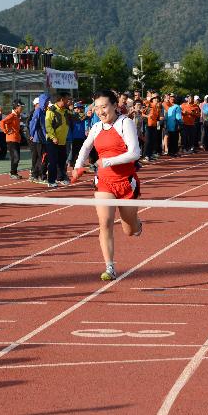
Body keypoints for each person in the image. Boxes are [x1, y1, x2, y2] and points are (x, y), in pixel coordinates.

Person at [72, 90, 143, 281]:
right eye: (97, 108)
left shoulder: (124, 123)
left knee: (129, 230)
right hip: (104, 181)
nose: (101, 111)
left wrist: (109, 161)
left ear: (114, 106)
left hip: (126, 182)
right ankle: (110, 267)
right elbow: (86, 147)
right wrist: (78, 167)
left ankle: (136, 224)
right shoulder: (96, 127)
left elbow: (135, 153)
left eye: (104, 107)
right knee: (105, 223)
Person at [45, 92, 71, 187]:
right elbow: (48, 126)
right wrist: (53, 137)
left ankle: (61, 178)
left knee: (62, 161)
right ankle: (51, 181)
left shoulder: (66, 111)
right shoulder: (51, 111)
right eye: (67, 99)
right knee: (53, 161)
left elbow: (76, 118)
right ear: (61, 99)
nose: (69, 101)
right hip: (53, 141)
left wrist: (87, 115)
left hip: (62, 141)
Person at [1, 100, 24, 179]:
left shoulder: (17, 116)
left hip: (16, 139)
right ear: (16, 107)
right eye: (21, 106)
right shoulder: (12, 115)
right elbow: (2, 122)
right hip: (11, 139)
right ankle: (12, 173)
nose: (22, 108)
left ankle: (14, 172)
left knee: (16, 157)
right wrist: (6, 131)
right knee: (16, 157)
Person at [28, 94, 48, 184]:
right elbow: (33, 123)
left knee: (39, 158)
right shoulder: (38, 111)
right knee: (42, 158)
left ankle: (35, 175)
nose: (48, 103)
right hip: (39, 138)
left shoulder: (43, 111)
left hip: (41, 138)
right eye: (47, 101)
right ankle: (41, 176)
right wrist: (32, 134)